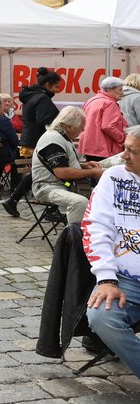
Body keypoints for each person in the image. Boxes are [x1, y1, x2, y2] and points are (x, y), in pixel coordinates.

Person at [83, 129, 140, 379]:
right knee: (102, 316)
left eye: (132, 151)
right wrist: (106, 278)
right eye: (125, 147)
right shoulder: (114, 177)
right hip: (126, 280)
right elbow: (95, 227)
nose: (123, 155)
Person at [31, 106, 105, 226]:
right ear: (69, 127)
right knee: (79, 202)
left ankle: (93, 233)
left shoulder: (61, 137)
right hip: (47, 188)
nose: (81, 132)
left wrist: (84, 166)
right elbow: (62, 172)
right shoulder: (53, 140)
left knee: (102, 197)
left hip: (62, 185)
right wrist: (93, 173)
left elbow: (63, 164)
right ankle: (73, 239)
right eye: (80, 129)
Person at [79, 76, 127, 162]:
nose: (122, 93)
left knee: (92, 172)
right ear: (109, 90)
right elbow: (108, 126)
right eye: (120, 90)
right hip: (104, 149)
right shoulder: (110, 103)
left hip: (88, 147)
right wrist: (123, 138)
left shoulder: (91, 100)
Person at [19, 67, 62, 157]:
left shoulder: (32, 95)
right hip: (37, 143)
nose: (57, 90)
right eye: (56, 86)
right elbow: (45, 120)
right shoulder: (43, 98)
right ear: (47, 85)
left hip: (28, 142)